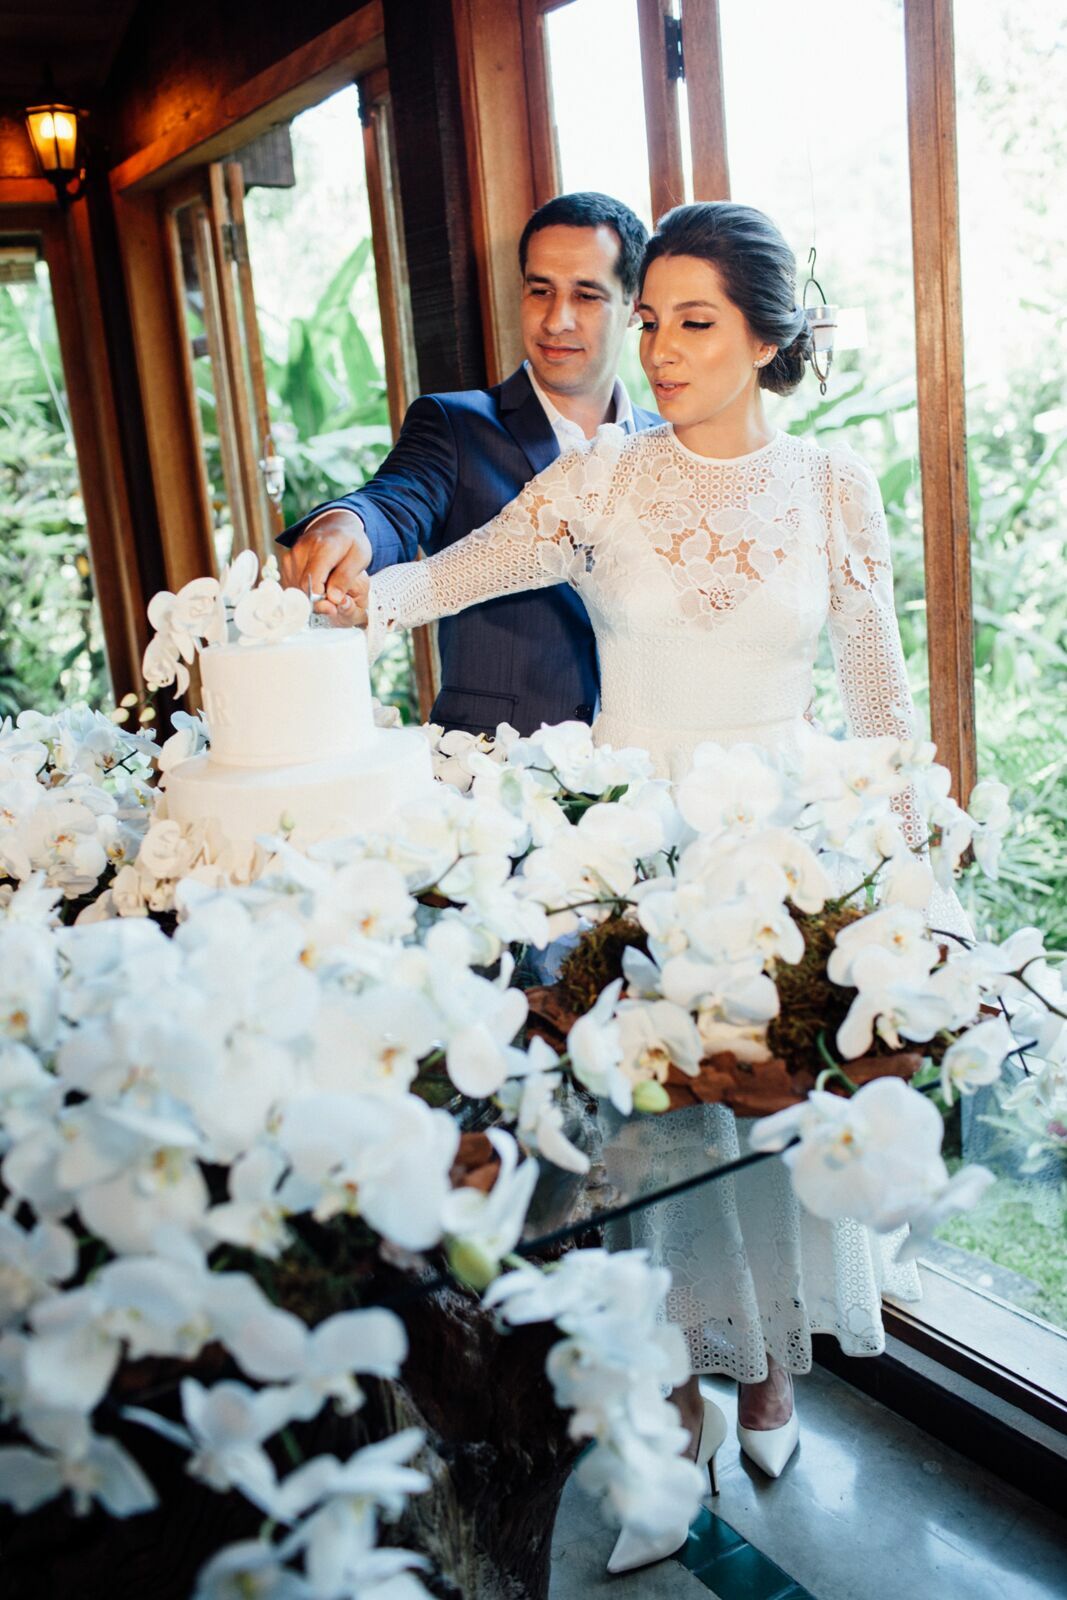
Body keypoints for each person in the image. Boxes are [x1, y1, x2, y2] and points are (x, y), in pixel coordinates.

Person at [327, 200, 953, 1572]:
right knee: (644, 1153)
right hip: (627, 867)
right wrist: (336, 580)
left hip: (791, 863)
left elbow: (877, 697)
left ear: (767, 337)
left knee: (760, 1137)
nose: (656, 348)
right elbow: (440, 577)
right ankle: (666, 1418)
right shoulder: (600, 480)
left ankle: (767, 1376)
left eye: (693, 321)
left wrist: (912, 888)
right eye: (649, 318)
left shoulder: (834, 483)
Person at [278, 192, 659, 735]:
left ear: (634, 307)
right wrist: (348, 524)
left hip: (642, 774)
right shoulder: (455, 424)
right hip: (488, 776)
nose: (557, 320)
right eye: (540, 290)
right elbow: (394, 500)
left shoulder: (664, 448)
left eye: (587, 295)